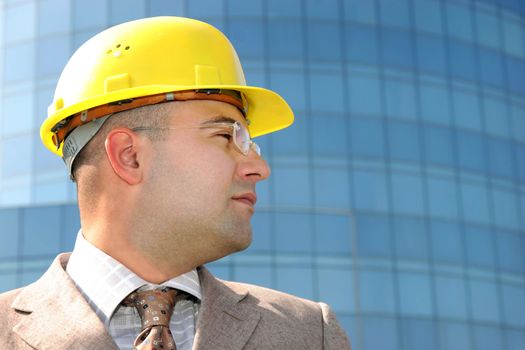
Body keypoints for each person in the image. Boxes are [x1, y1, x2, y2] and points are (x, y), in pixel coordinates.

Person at [0, 16, 350, 350]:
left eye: (250, 144)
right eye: (226, 136)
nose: (259, 167)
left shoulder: (309, 333)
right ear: (129, 156)